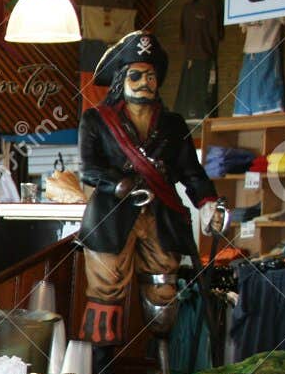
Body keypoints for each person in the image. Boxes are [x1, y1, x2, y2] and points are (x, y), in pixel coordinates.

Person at [77, 30, 217, 356]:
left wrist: (208, 203)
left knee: (163, 293)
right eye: (136, 75)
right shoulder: (96, 120)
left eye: (150, 76)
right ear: (121, 80)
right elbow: (89, 169)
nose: (144, 82)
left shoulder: (173, 124)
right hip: (111, 219)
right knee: (105, 295)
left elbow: (190, 173)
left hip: (161, 217)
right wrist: (119, 184)